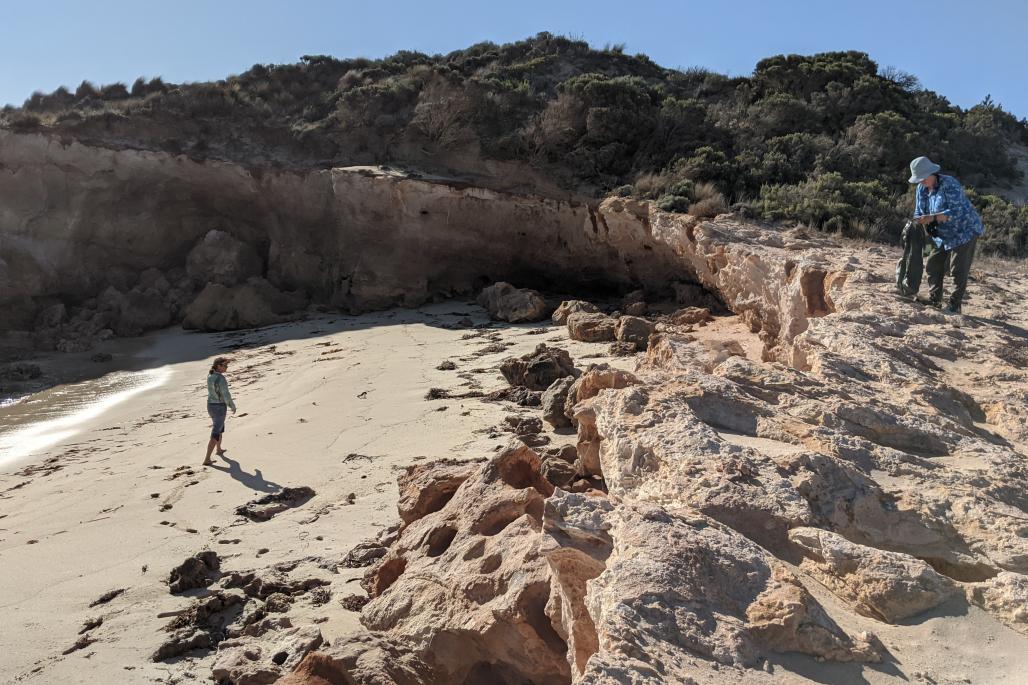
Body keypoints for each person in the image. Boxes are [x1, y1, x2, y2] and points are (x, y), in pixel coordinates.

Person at [903, 156, 984, 314]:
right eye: (918, 180)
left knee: (957, 270)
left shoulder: (949, 184)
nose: (921, 182)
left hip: (964, 231)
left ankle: (955, 304)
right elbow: (919, 211)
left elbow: (956, 212)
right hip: (942, 234)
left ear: (931, 173)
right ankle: (935, 300)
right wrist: (917, 222)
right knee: (933, 265)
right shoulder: (922, 189)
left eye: (923, 178)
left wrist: (932, 218)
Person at [204, 357, 237, 466]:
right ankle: (207, 459)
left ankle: (218, 449)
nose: (227, 367)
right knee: (216, 432)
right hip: (219, 407)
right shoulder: (221, 378)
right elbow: (226, 394)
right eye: (225, 365)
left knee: (219, 427)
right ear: (219, 366)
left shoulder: (210, 375)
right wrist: (232, 405)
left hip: (210, 405)